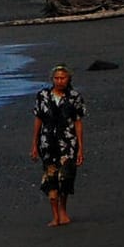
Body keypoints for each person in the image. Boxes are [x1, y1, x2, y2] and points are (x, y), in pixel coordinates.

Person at [30, 64, 85, 226]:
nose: (59, 81)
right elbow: (38, 119)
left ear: (68, 79)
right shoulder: (43, 96)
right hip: (47, 143)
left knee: (66, 177)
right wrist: (34, 144)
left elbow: (78, 122)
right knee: (50, 177)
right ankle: (55, 215)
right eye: (57, 78)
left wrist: (81, 147)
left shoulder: (74, 97)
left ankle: (63, 211)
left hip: (68, 143)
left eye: (63, 78)